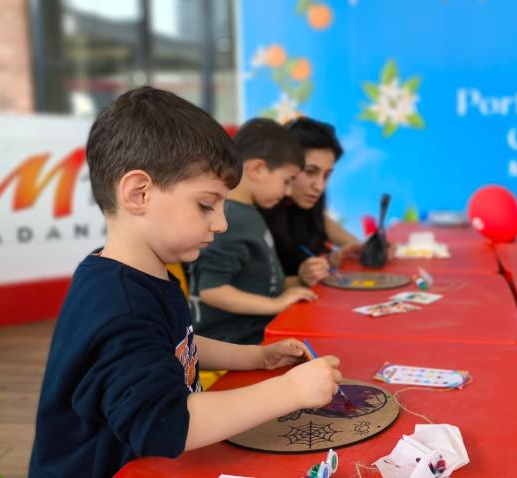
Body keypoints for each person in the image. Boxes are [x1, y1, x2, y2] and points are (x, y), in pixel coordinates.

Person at [30, 87, 342, 477]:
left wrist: (257, 357)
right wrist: (290, 391)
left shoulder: (144, 273)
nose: (221, 223)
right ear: (139, 193)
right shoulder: (120, 307)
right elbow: (166, 424)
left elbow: (178, 345)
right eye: (206, 204)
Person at [189, 118, 318, 345]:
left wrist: (300, 280)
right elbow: (212, 291)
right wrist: (276, 304)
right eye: (286, 181)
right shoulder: (231, 218)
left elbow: (261, 283)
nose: (288, 192)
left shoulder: (248, 213)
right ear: (257, 169)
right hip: (232, 345)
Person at [260, 117, 361, 286]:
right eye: (310, 171)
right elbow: (251, 286)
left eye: (326, 175)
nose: (319, 186)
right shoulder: (258, 209)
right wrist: (300, 279)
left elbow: (354, 244)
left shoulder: (308, 205)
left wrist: (372, 247)